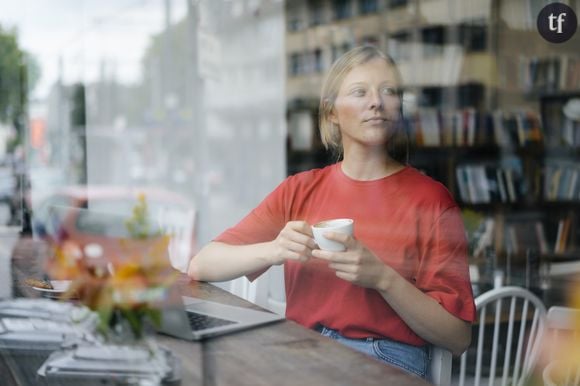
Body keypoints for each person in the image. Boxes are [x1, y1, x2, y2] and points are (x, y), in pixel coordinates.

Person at [188, 46, 475, 379]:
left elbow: (457, 337)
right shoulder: (298, 190)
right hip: (301, 351)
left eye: (388, 91)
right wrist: (274, 250)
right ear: (332, 113)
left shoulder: (431, 200)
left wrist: (382, 279)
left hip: (386, 359)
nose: (376, 102)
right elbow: (202, 265)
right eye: (359, 92)